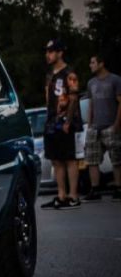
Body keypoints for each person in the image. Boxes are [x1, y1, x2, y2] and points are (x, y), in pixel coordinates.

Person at [40, 40, 83, 210]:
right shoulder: (50, 74)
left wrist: (68, 121)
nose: (48, 55)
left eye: (51, 51)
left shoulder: (69, 73)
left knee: (70, 159)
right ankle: (61, 195)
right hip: (51, 122)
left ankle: (73, 196)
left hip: (65, 122)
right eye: (47, 51)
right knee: (56, 160)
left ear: (60, 53)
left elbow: (73, 97)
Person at [82, 54, 121, 201]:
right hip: (95, 128)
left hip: (111, 126)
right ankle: (95, 190)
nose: (90, 65)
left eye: (92, 62)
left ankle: (118, 188)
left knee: (116, 159)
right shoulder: (91, 83)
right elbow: (91, 104)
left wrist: (116, 125)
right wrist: (90, 125)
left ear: (101, 63)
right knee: (92, 159)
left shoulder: (115, 80)